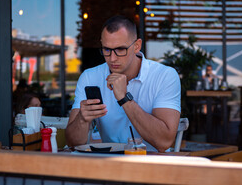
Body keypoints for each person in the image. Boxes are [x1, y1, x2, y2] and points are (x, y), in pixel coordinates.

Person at [65, 15, 181, 152]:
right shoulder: (90, 77)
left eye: (120, 49)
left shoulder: (164, 75)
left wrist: (124, 98)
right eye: (106, 49)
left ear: (136, 46)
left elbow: (164, 142)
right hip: (110, 163)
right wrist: (82, 120)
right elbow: (72, 143)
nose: (112, 58)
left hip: (153, 164)